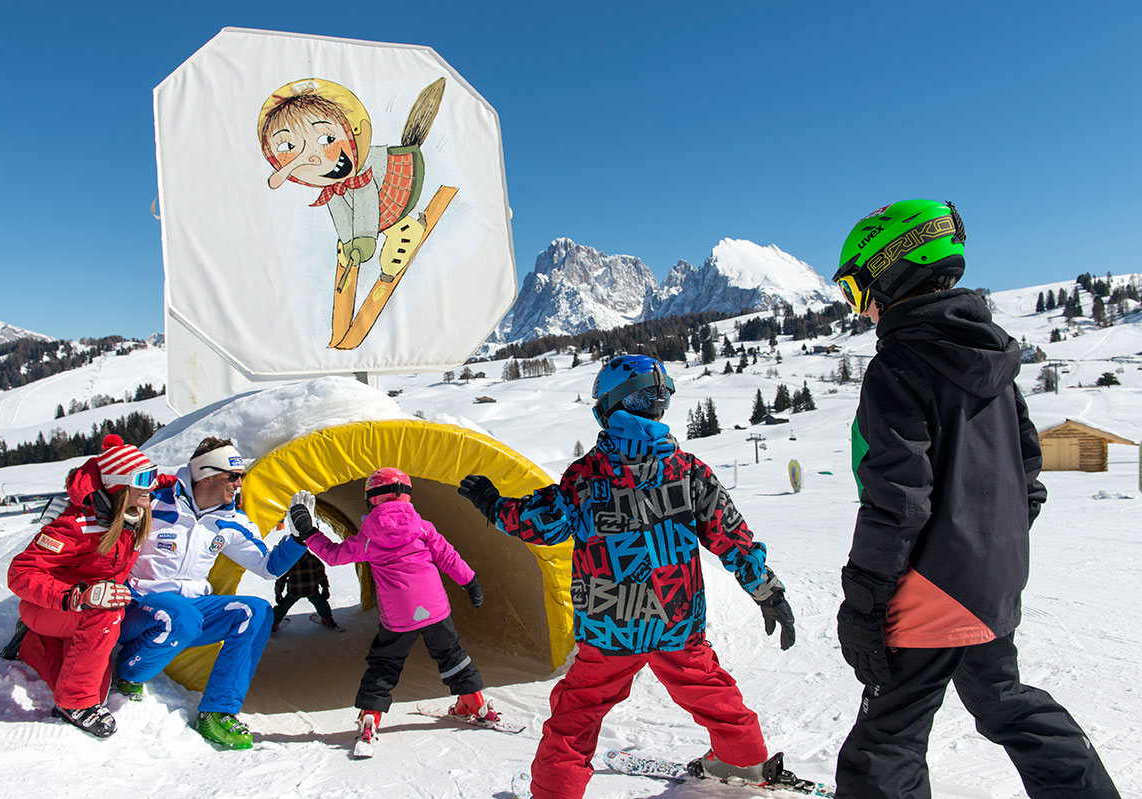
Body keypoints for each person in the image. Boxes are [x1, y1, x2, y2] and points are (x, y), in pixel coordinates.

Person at [830, 198, 1120, 798]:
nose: (865, 309)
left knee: (887, 739)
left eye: (861, 291)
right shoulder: (994, 358)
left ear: (892, 269)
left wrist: (863, 600)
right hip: (989, 580)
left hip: (931, 585)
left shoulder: (900, 366)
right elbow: (1028, 473)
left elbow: (898, 500)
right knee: (1003, 700)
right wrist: (988, 549)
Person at [457, 354, 799, 799]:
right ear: (658, 407)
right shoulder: (688, 471)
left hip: (610, 624)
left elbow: (542, 523)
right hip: (676, 617)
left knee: (577, 712)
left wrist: (493, 505)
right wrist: (766, 591)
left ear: (607, 407)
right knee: (708, 689)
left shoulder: (585, 476)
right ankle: (743, 761)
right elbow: (730, 535)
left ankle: (556, 791)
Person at [115, 437, 306, 750]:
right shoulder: (155, 500)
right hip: (139, 606)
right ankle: (129, 672)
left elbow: (268, 566)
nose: (239, 483)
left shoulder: (229, 521)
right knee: (182, 615)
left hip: (188, 609)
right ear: (206, 476)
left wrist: (299, 539)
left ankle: (218, 712)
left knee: (256, 613)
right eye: (233, 476)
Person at [286, 467, 488, 748]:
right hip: (434, 607)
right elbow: (448, 556)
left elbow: (332, 556)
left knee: (386, 662)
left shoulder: (368, 539)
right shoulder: (423, 527)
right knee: (451, 654)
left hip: (399, 614)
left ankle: (371, 715)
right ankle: (474, 703)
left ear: (372, 499)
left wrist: (308, 532)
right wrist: (471, 582)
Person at [5, 435, 156, 738]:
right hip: (50, 606)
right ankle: (73, 705)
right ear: (118, 486)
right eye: (143, 479)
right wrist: (75, 597)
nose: (151, 486)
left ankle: (33, 646)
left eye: (152, 475)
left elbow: (166, 480)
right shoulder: (77, 526)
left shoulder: (133, 512)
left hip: (80, 613)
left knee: (98, 692)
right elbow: (20, 573)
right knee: (107, 615)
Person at [271, 545, 339, 631]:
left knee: (283, 606)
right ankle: (327, 619)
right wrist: (325, 587)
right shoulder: (313, 559)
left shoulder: (289, 561)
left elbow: (281, 579)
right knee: (320, 603)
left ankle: (273, 624)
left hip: (295, 590)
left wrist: (278, 593)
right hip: (311, 589)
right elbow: (321, 573)